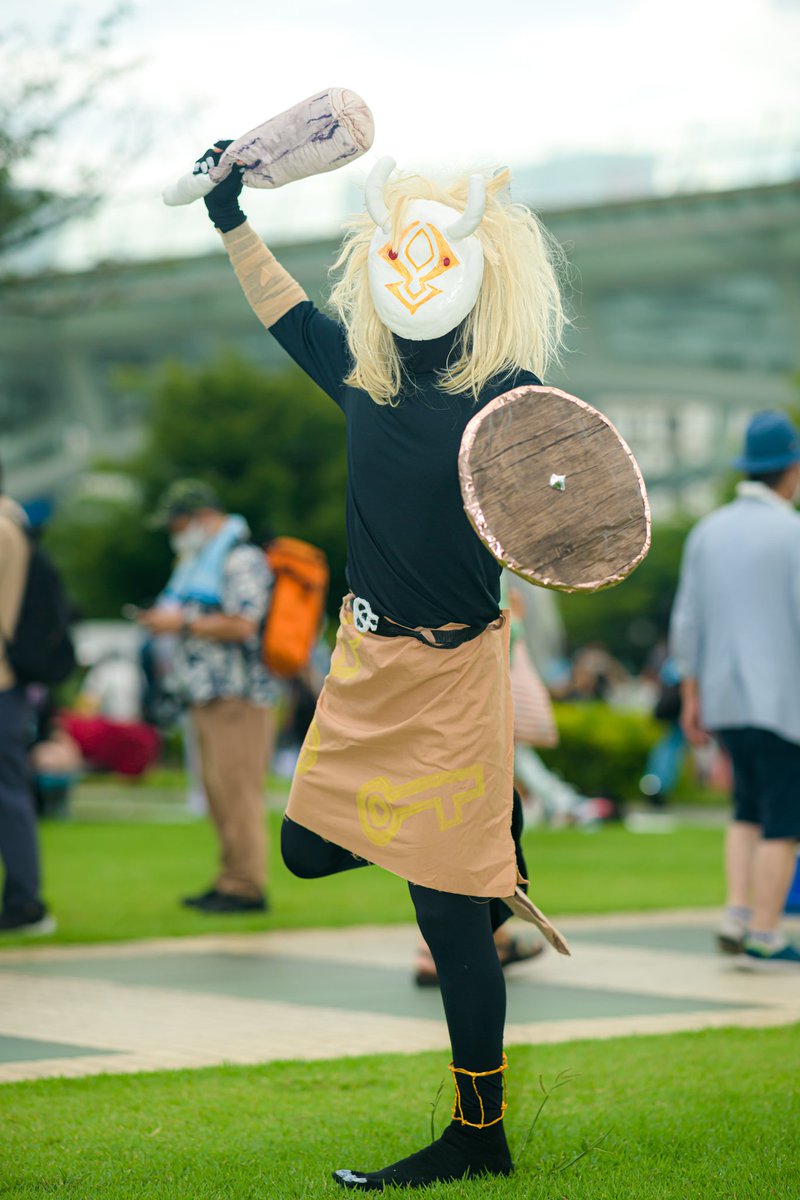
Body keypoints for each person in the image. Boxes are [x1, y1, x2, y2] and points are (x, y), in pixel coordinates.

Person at [195, 140, 566, 1188]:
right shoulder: (362, 373)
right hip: (366, 665)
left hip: (458, 671)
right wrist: (228, 215)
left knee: (448, 922)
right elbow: (280, 308)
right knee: (305, 849)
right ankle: (481, 835)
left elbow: (561, 510)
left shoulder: (508, 390)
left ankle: (478, 1138)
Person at [670, 410, 800, 970]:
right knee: (784, 819)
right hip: (783, 701)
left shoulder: (708, 531)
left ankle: (736, 912)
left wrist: (691, 695)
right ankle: (765, 932)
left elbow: (687, 621)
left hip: (723, 698)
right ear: (791, 469)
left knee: (745, 809)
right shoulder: (792, 532)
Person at [138, 480, 279, 912]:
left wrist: (180, 624)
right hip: (205, 693)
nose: (174, 533)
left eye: (177, 524)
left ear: (200, 517)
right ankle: (229, 879)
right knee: (217, 793)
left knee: (238, 792)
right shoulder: (201, 561)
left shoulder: (241, 559)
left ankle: (248, 886)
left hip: (239, 694)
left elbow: (244, 623)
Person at [0, 466, 55, 934]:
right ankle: (24, 900)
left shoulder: (3, 529)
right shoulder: (13, 524)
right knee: (10, 791)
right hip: (9, 682)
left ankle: (25, 902)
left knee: (9, 793)